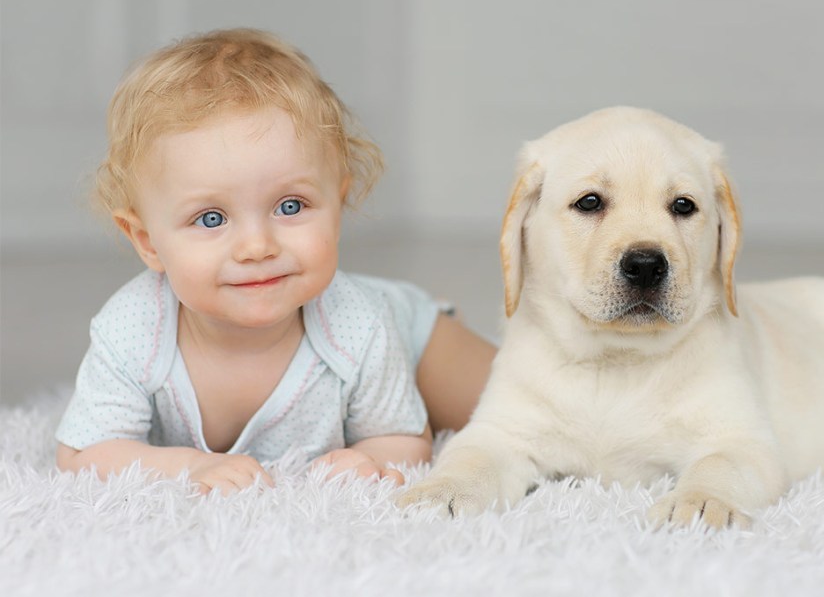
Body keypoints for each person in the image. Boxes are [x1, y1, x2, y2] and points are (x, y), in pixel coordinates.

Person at [55, 28, 496, 494]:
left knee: (530, 410)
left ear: (337, 204)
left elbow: (402, 440)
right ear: (147, 242)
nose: (256, 247)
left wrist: (366, 459)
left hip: (413, 336)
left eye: (290, 207)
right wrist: (189, 466)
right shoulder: (133, 330)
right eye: (210, 218)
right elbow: (83, 452)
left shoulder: (363, 325)